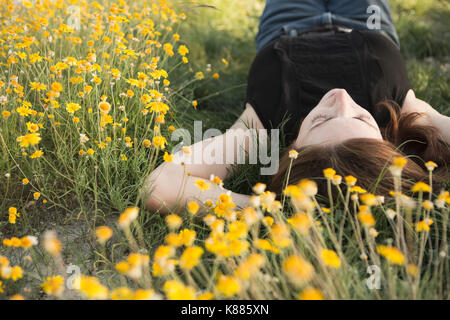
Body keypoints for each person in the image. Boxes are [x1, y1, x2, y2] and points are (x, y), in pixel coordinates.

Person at [144, 0, 450, 214]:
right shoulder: (403, 116)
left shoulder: (264, 128)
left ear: (294, 147)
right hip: (366, 16)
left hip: (288, 18)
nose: (340, 98)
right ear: (385, 142)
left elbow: (160, 186)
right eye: (361, 118)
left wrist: (258, 208)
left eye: (321, 121)